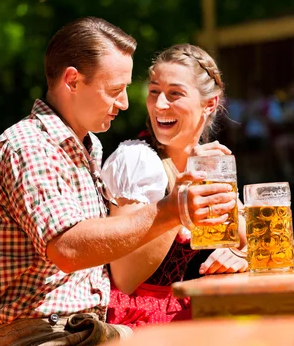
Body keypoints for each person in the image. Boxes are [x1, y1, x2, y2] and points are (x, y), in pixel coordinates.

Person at [0, 18, 237, 345]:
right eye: (115, 90)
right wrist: (172, 209)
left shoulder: (86, 146)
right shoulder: (30, 147)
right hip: (36, 332)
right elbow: (68, 247)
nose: (126, 103)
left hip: (83, 328)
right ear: (72, 81)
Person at [102, 44, 248, 327]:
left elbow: (256, 240)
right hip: (138, 323)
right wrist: (179, 203)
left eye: (174, 94)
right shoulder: (138, 160)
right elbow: (125, 277)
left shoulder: (209, 166)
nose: (159, 105)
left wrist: (239, 253)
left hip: (191, 314)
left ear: (209, 104)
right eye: (154, 91)